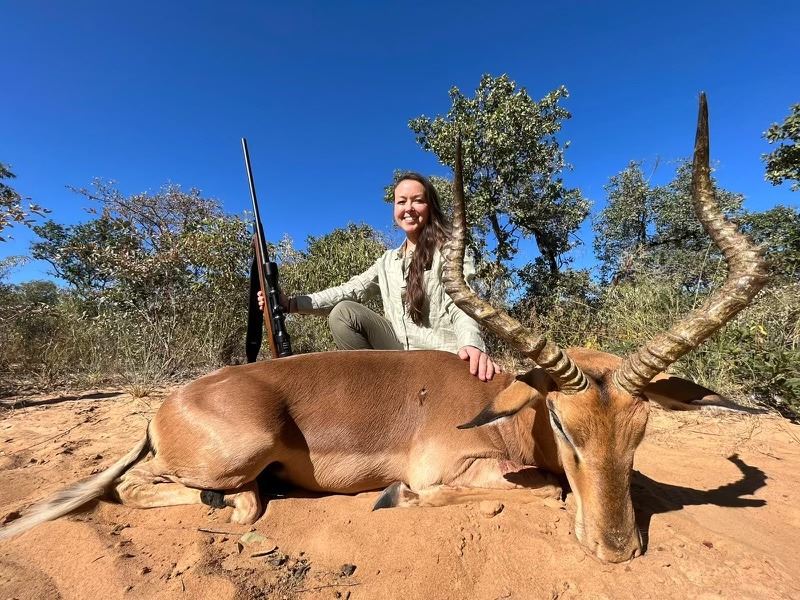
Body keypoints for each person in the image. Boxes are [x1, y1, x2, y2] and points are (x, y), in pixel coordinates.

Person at [259, 172, 500, 381]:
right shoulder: (387, 261)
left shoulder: (449, 250)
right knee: (343, 313)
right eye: (401, 202)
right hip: (398, 358)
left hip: (439, 360)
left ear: (430, 207)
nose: (408, 208)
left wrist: (471, 344)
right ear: (395, 209)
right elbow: (350, 290)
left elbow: (462, 302)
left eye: (417, 201)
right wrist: (290, 304)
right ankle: (374, 392)